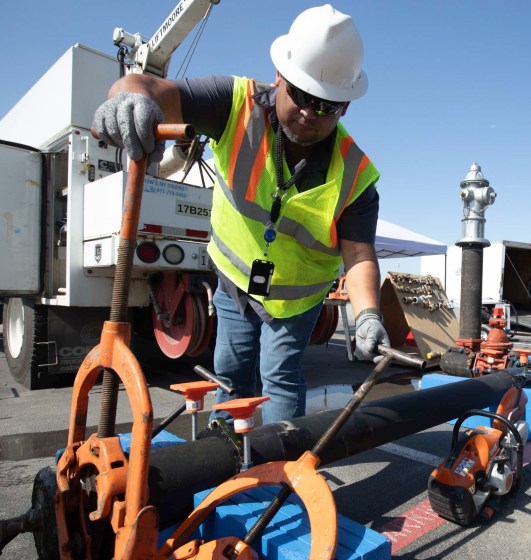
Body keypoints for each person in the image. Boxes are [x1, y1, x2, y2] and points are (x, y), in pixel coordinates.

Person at [92, 5, 389, 425]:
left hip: (296, 301)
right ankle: (228, 453)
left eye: (328, 106)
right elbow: (149, 85)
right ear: (280, 78)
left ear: (345, 107)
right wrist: (128, 99)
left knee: (280, 376)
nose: (311, 113)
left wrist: (369, 315)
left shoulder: (356, 176)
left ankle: (278, 467)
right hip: (234, 281)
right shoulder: (235, 105)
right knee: (230, 374)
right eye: (304, 97)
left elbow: (359, 257)